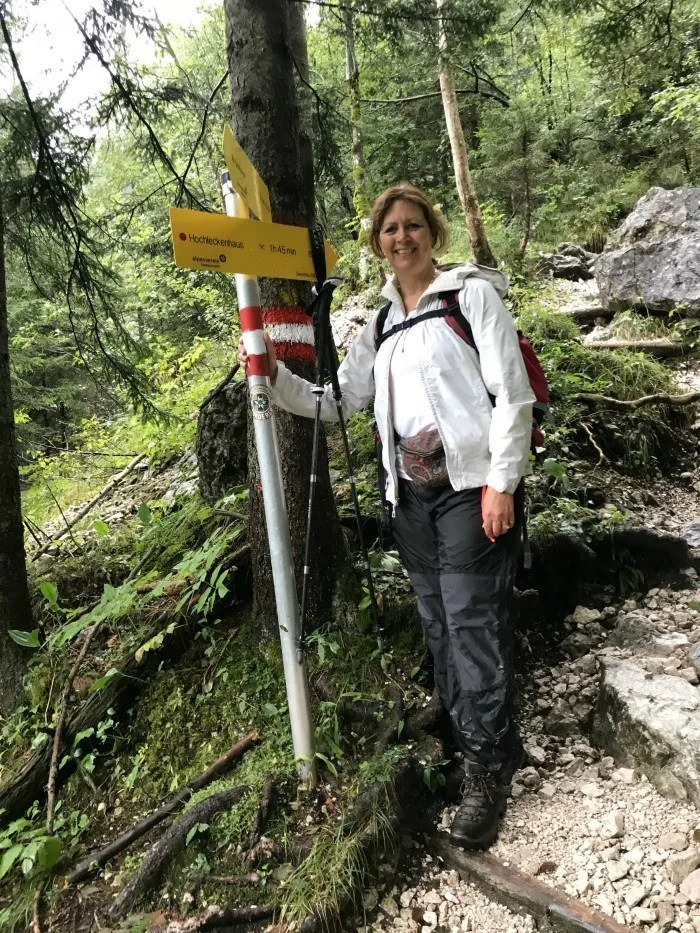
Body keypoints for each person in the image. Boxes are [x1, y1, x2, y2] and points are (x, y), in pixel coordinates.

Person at [238, 183, 535, 849]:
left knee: (468, 621)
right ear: (378, 243)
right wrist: (269, 377)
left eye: (412, 225)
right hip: (411, 496)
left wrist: (501, 482)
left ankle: (487, 773)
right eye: (390, 229)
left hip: (469, 486)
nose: (402, 237)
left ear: (432, 231)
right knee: (438, 625)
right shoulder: (379, 324)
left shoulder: (470, 297)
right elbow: (339, 400)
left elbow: (512, 394)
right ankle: (470, 743)